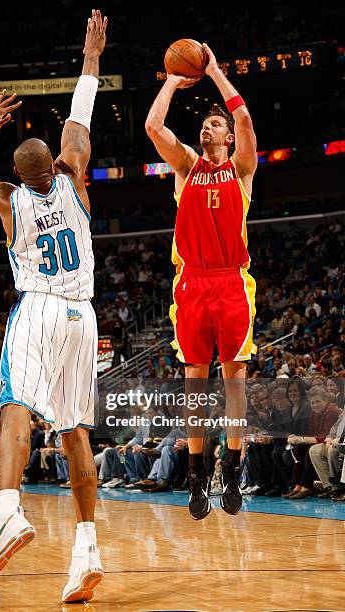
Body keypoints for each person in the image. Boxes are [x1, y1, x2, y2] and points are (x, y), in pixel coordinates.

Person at [0, 9, 108, 603]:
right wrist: (91, 58)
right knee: (74, 433)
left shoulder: (8, 200)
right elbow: (80, 113)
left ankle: (8, 510)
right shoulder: (76, 175)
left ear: (18, 175)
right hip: (84, 317)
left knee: (15, 402)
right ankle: (87, 550)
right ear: (57, 165)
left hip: (40, 309)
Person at [145, 43, 258, 519]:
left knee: (234, 383)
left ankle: (231, 471)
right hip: (191, 283)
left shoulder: (241, 169)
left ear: (229, 138)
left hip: (232, 283)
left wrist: (213, 72)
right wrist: (173, 79)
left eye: (216, 125)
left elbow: (247, 120)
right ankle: (195, 481)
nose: (208, 126)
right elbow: (154, 127)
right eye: (206, 123)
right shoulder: (187, 166)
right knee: (195, 383)